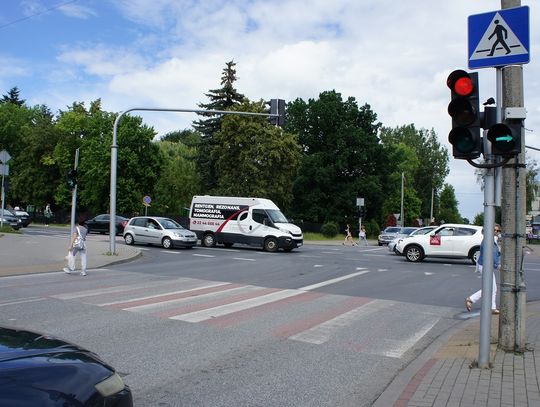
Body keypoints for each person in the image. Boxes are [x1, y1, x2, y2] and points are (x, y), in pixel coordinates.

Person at [465, 225, 501, 314]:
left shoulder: (492, 240)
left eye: (498, 230)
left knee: (493, 288)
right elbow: (492, 255)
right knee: (489, 287)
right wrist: (498, 265)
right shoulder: (489, 240)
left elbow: (496, 253)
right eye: (494, 230)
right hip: (485, 266)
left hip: (487, 266)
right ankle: (470, 299)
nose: (496, 232)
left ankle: (492, 307)